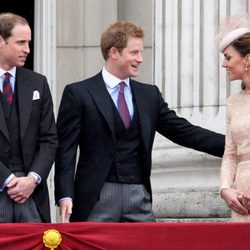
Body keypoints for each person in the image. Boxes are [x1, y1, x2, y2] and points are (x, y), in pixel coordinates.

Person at [55, 21, 225, 223]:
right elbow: (65, 149)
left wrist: (233, 146)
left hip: (139, 194)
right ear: (114, 52)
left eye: (141, 52)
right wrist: (65, 195)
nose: (140, 59)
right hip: (96, 196)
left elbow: (183, 131)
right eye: (134, 53)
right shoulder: (79, 93)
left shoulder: (149, 95)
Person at [0, 12, 57, 223]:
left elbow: (50, 139)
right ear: (1, 40)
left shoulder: (37, 83)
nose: (27, 50)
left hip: (32, 196)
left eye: (29, 42)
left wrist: (32, 180)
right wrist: (8, 180)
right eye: (21, 42)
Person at [219, 13, 250, 222]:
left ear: (247, 59)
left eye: (228, 57)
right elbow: (230, 153)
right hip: (240, 198)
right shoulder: (233, 102)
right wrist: (225, 188)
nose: (224, 64)